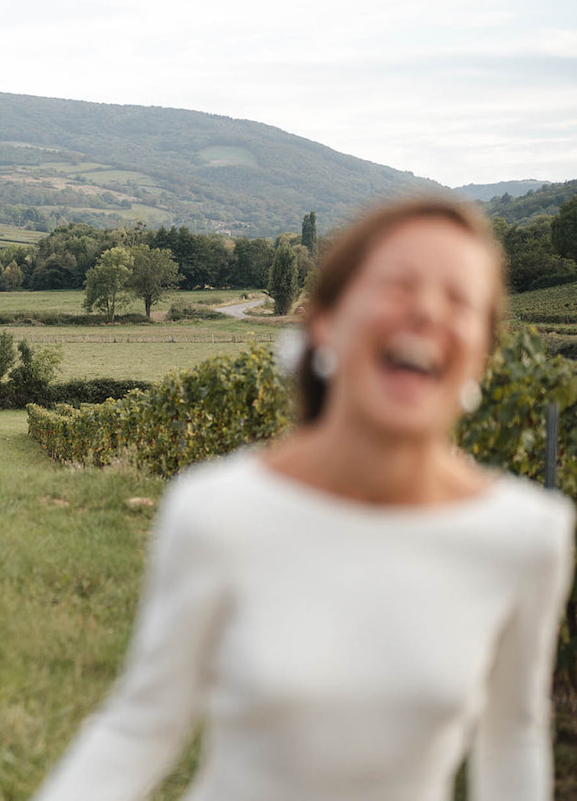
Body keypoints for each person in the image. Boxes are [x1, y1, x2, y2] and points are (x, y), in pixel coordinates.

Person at [34, 197, 574, 801]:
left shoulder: (529, 535)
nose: (425, 310)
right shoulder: (217, 510)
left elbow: (514, 741)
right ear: (323, 322)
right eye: (399, 284)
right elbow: (138, 727)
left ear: (482, 350)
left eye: (459, 299)